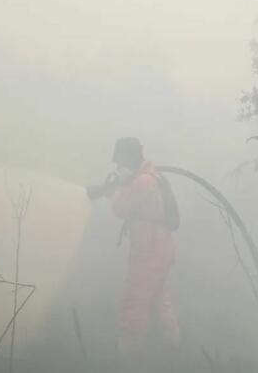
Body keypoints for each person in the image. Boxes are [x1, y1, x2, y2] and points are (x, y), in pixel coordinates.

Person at [87, 137, 180, 360]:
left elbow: (120, 208)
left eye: (120, 161)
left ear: (129, 158)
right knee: (157, 295)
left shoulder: (143, 182)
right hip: (159, 247)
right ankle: (172, 344)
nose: (118, 167)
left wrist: (118, 187)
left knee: (135, 297)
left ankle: (130, 352)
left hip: (149, 249)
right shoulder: (150, 177)